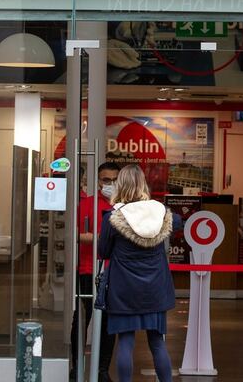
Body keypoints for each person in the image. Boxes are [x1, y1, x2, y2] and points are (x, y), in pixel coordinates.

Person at [98, 164, 177, 382]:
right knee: (157, 342)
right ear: (143, 184)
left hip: (124, 290)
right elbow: (180, 223)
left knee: (125, 342)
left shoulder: (112, 218)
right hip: (155, 290)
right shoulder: (161, 213)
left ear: (119, 186)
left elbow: (103, 251)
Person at [70, 161, 120, 382]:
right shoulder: (87, 204)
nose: (109, 184)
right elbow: (76, 235)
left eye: (113, 180)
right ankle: (76, 366)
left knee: (109, 321)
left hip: (115, 272)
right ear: (98, 181)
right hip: (87, 269)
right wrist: (102, 238)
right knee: (81, 319)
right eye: (105, 180)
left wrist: (97, 238)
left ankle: (102, 370)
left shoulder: (125, 206)